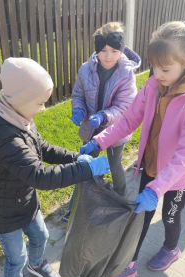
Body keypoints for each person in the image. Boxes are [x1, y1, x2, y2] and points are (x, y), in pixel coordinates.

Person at [81, 16, 185, 277]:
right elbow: (128, 120)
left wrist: (157, 189)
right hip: (152, 166)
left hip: (178, 176)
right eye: (154, 67)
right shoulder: (153, 85)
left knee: (170, 216)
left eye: (164, 69)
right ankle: (128, 264)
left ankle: (172, 248)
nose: (157, 74)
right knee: (140, 218)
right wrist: (99, 142)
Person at [0, 57, 110, 277]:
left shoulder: (20, 119)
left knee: (41, 236)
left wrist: (76, 158)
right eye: (40, 103)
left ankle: (36, 264)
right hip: (1, 212)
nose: (43, 109)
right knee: (15, 258)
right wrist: (86, 170)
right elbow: (39, 175)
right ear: (21, 100)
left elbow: (42, 148)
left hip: (22, 200)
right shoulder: (5, 137)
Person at [61, 21, 141, 223]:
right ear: (96, 50)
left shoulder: (126, 74)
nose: (108, 56)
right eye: (103, 51)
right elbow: (78, 93)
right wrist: (78, 109)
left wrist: (104, 116)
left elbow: (125, 106)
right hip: (91, 130)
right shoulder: (85, 69)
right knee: (85, 165)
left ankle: (121, 200)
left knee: (115, 167)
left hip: (115, 131)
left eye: (114, 51)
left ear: (121, 50)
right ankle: (75, 207)